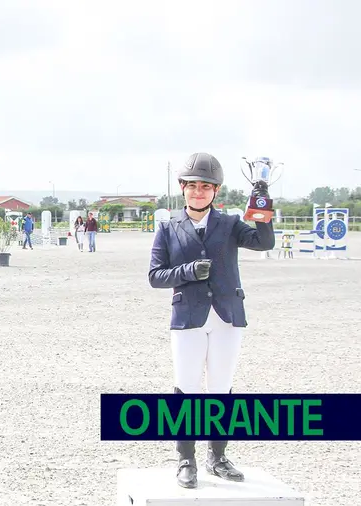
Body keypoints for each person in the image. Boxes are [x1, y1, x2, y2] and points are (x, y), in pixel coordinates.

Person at [148, 152, 274, 489]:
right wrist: (187, 272)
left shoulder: (230, 223)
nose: (199, 192)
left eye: (206, 186)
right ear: (183, 188)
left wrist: (261, 200)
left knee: (221, 388)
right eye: (193, 186)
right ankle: (185, 458)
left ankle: (217, 457)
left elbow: (264, 242)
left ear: (215, 191)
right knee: (187, 388)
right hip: (188, 316)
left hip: (227, 316)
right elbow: (155, 276)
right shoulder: (167, 228)